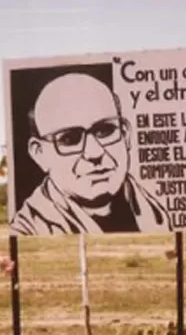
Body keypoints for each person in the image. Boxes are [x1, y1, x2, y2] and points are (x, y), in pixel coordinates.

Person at [10, 72, 172, 235]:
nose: (94, 152)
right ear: (40, 154)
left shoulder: (158, 212)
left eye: (105, 130)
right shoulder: (27, 230)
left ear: (125, 135)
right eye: (69, 139)